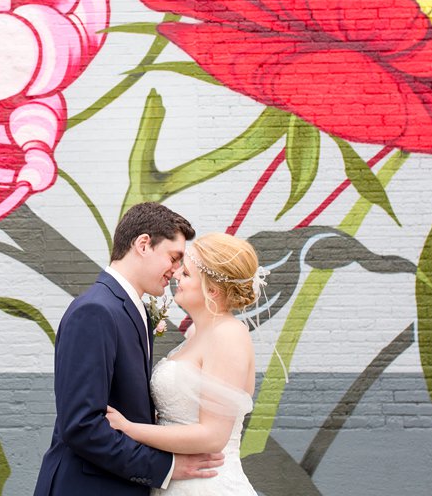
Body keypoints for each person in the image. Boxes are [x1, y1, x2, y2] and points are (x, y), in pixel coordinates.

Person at [34, 202, 225, 495]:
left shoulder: (132, 310)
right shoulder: (95, 311)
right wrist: (165, 466)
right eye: (173, 258)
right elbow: (81, 426)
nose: (175, 272)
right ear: (144, 244)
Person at [105, 232, 263, 495]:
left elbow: (213, 436)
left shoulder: (228, 335)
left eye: (187, 273)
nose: (176, 275)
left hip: (207, 484)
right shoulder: (195, 336)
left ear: (212, 290)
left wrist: (131, 429)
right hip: (176, 482)